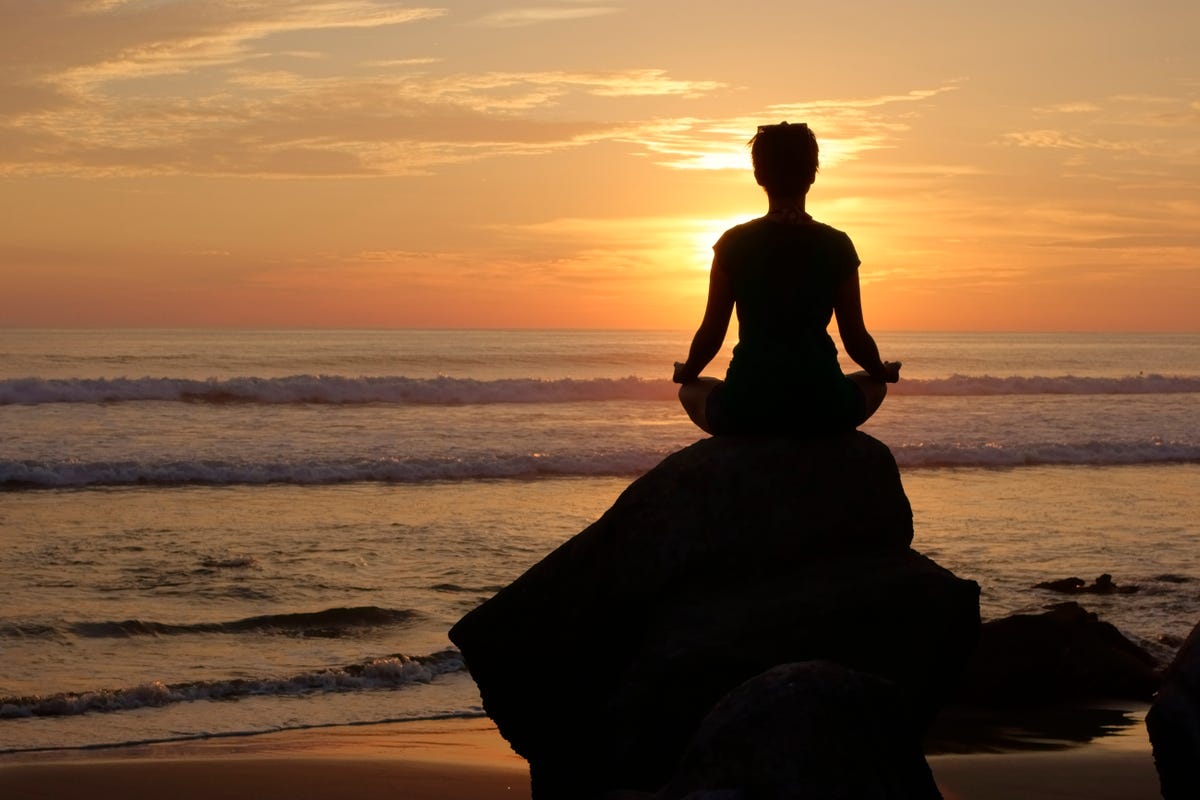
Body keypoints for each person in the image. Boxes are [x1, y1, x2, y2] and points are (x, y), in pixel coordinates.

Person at [673, 121, 900, 435]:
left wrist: (687, 371)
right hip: (822, 406)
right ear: (812, 175)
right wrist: (882, 371)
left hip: (748, 408)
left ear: (759, 176)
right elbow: (855, 338)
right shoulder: (837, 244)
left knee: (691, 391)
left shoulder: (732, 243)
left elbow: (712, 333)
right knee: (873, 385)